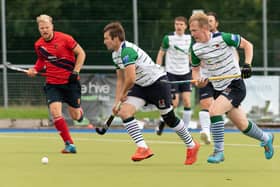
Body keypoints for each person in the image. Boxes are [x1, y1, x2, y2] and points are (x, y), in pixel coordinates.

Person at [103, 21, 200, 165]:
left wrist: (124, 93)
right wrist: (117, 101)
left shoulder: (127, 51)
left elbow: (130, 78)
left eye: (106, 38)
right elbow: (120, 80)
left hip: (157, 83)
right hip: (141, 86)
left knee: (169, 118)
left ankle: (192, 145)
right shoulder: (115, 55)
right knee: (125, 112)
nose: (104, 42)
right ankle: (143, 148)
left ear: (116, 38)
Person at [189, 12, 274, 163]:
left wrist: (247, 64)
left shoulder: (223, 38)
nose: (192, 33)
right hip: (218, 89)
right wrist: (198, 81)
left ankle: (219, 152)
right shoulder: (195, 49)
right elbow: (195, 71)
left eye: (194, 30)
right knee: (243, 125)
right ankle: (266, 138)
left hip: (235, 85)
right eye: (191, 30)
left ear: (204, 28)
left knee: (214, 110)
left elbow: (248, 45)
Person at [26, 14, 86, 154]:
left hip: (70, 82)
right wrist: (34, 69)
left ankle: (80, 112)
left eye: (47, 27)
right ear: (39, 29)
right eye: (42, 28)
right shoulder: (38, 44)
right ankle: (69, 144)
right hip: (52, 84)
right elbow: (41, 61)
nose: (45, 30)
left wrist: (76, 71)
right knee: (55, 111)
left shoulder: (65, 39)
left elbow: (81, 53)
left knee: (76, 116)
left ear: (52, 26)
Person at [198, 12, 240, 145]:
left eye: (211, 21)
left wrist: (237, 70)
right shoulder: (198, 40)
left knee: (233, 115)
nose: (208, 24)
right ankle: (206, 132)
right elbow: (194, 60)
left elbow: (235, 55)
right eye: (206, 21)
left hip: (226, 79)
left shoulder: (224, 38)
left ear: (216, 23)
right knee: (206, 104)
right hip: (207, 78)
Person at [155, 16, 192, 136]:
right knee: (174, 103)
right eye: (177, 24)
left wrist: (197, 68)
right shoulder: (168, 38)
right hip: (171, 74)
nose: (179, 26)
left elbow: (191, 56)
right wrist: (157, 69)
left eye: (181, 24)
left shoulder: (189, 38)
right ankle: (161, 122)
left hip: (186, 73)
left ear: (186, 26)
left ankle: (185, 130)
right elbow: (161, 53)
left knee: (187, 101)